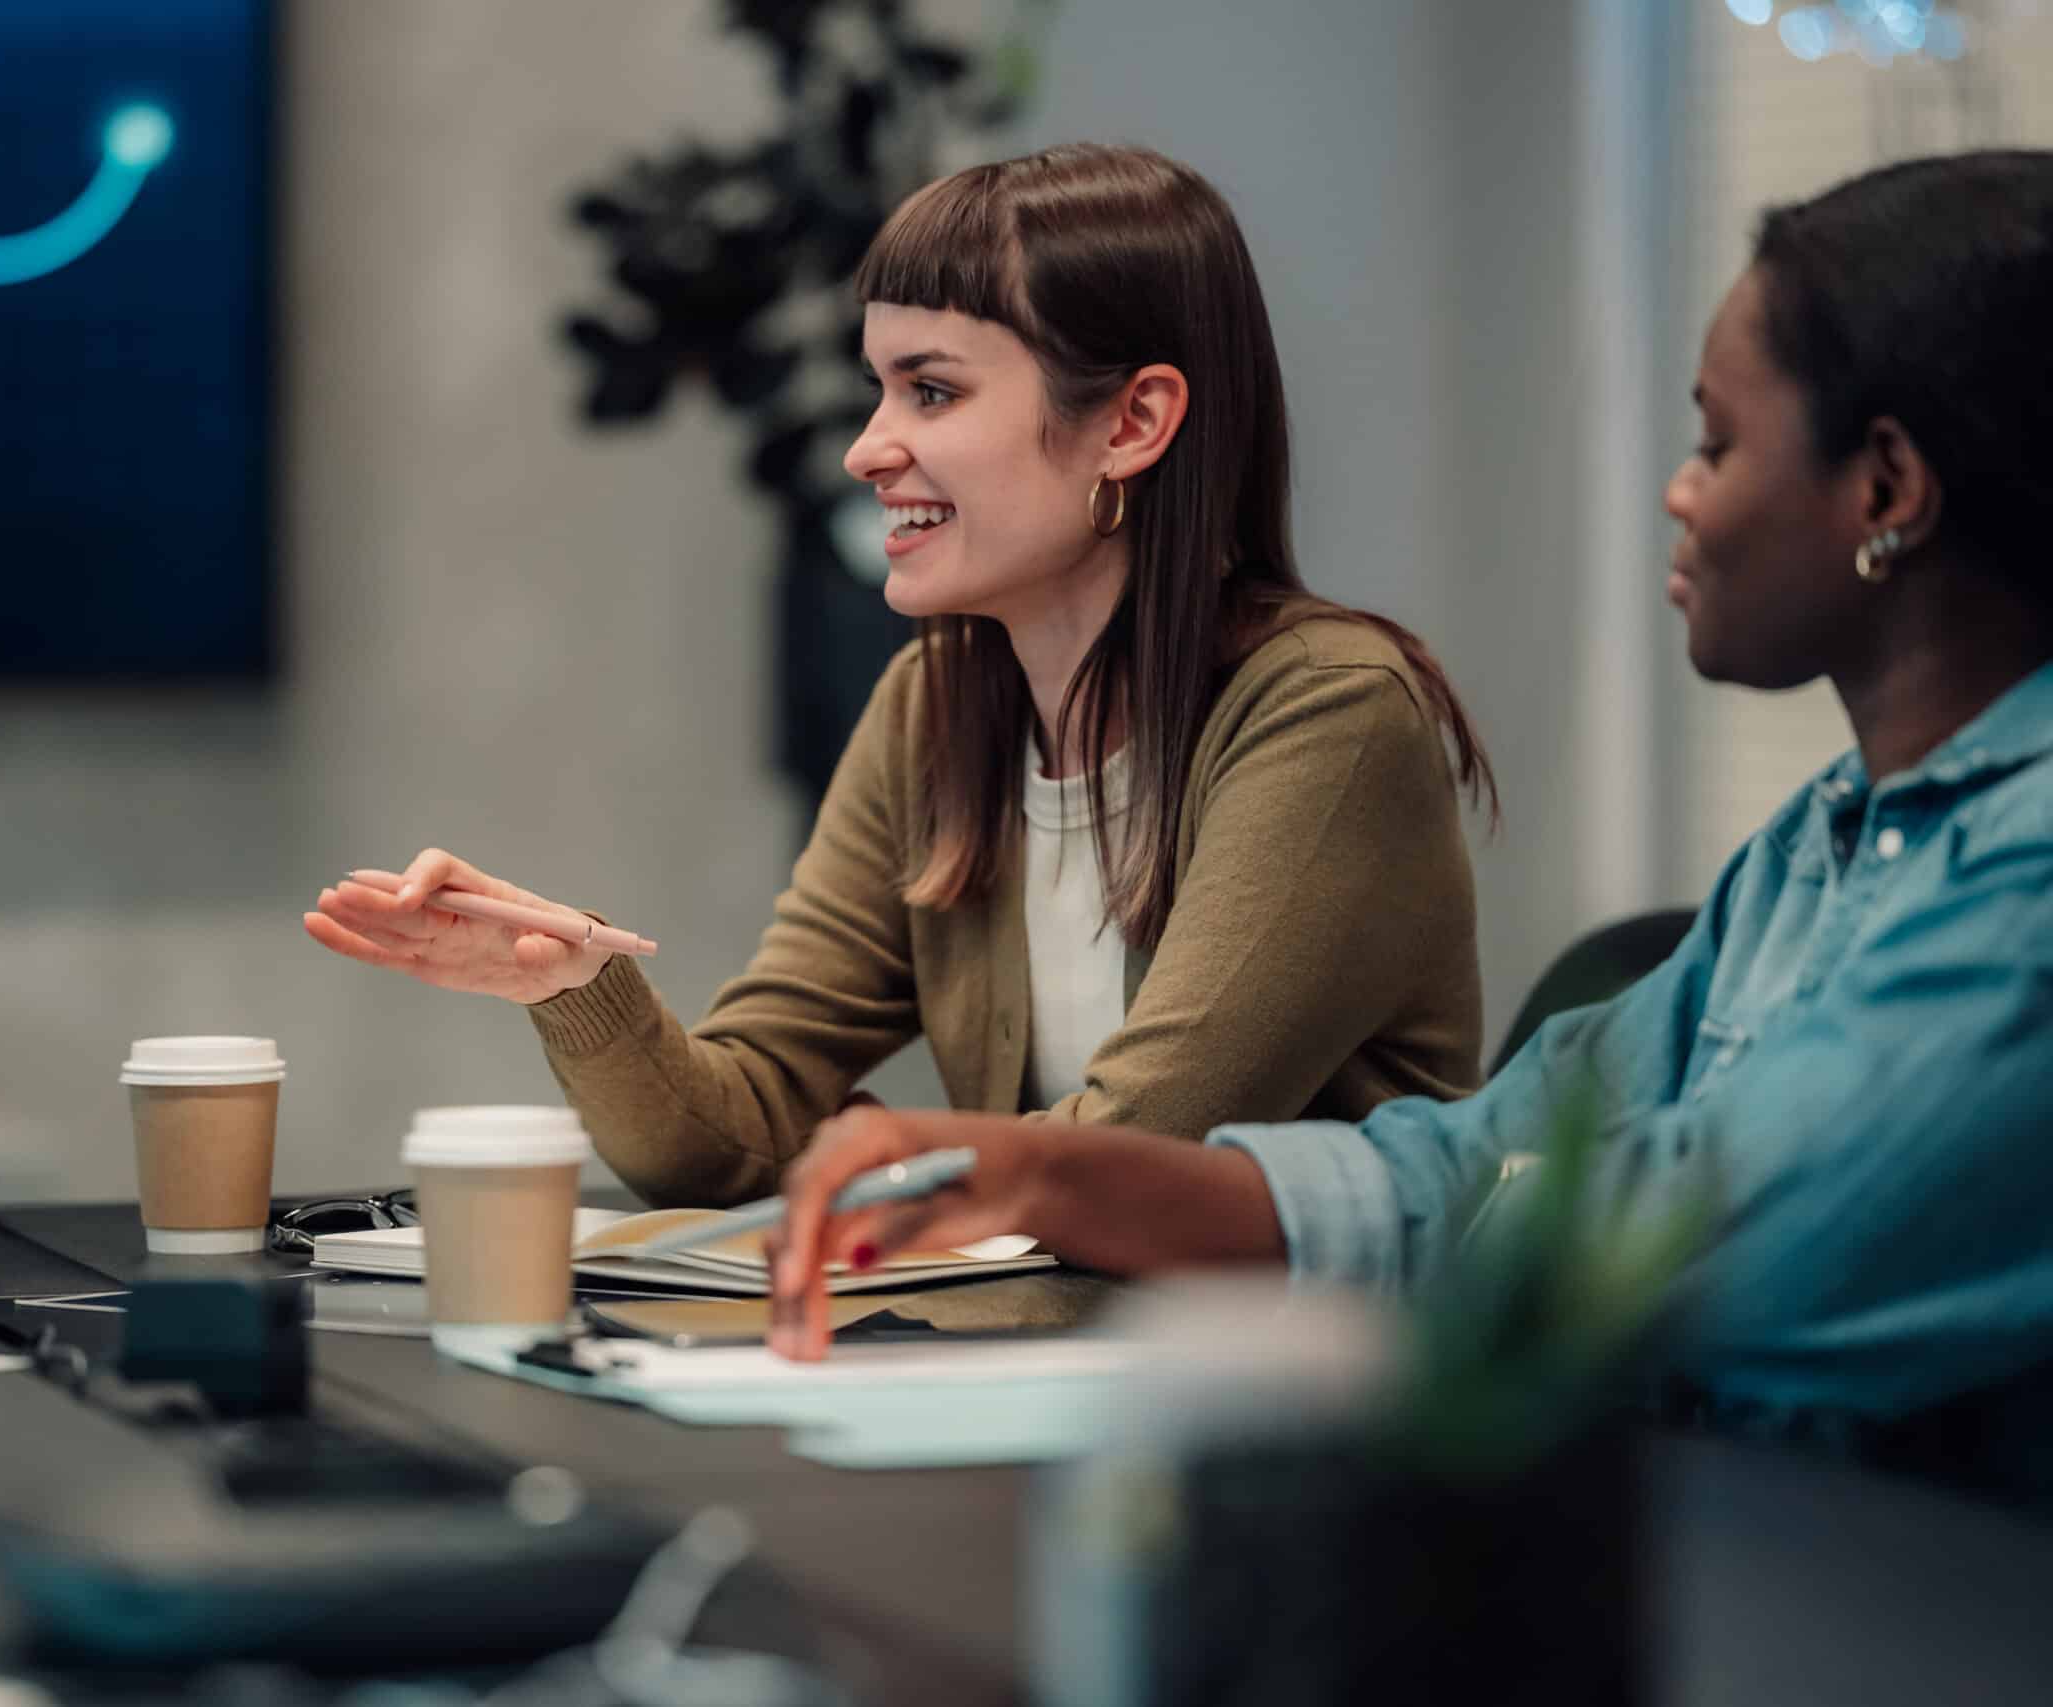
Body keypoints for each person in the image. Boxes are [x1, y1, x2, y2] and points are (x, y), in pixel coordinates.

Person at [764, 151, 2053, 1505]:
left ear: (1888, 487)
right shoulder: (1822, 844)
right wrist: (1040, 1170)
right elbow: (1500, 1150)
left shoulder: (2025, 882)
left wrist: (1066, 1175)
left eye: (1717, 444)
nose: (1681, 493)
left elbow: (1699, 1230)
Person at [305, 143, 1495, 1207]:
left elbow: (1134, 1158)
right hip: (1051, 1383)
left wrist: (883, 1156)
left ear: (1131, 423)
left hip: (1308, 1424)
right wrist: (568, 983)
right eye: (879, 389)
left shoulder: (1327, 711)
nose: (867, 448)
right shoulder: (933, 709)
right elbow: (728, 1135)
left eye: (931, 389)